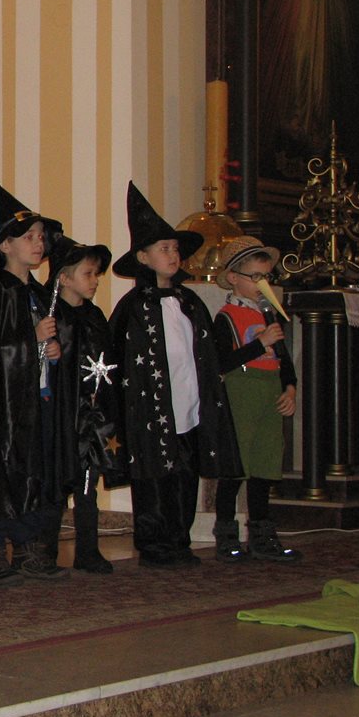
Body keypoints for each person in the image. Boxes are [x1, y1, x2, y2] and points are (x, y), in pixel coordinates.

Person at [108, 182, 242, 569]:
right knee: (153, 476)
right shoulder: (133, 307)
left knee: (185, 473)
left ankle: (179, 539)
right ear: (143, 257)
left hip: (190, 406)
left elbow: (206, 353)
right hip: (149, 411)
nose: (172, 255)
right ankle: (154, 544)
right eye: (164, 248)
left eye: (174, 248)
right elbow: (117, 360)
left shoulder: (190, 302)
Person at [0, 171, 67, 586]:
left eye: (41, 237)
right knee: (3, 467)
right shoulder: (0, 291)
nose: (38, 243)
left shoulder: (38, 293)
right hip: (7, 405)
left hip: (37, 396)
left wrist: (53, 351)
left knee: (35, 469)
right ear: (5, 245)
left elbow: (42, 342)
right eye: (29, 237)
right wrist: (32, 338)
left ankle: (30, 546)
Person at [211, 236, 301, 563]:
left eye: (267, 277)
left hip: (269, 392)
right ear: (234, 277)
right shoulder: (225, 317)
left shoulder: (268, 314)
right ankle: (226, 536)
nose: (263, 284)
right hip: (241, 393)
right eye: (256, 277)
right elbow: (220, 362)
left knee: (265, 464)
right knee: (236, 468)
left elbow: (284, 360)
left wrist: (290, 388)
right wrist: (259, 344)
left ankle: (262, 535)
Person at [45, 235, 126, 574]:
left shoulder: (94, 316)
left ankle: (88, 550)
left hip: (92, 417)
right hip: (62, 414)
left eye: (96, 274)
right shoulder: (53, 316)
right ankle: (46, 551)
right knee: (56, 483)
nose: (95, 281)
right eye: (88, 274)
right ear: (64, 278)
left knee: (87, 483)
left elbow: (106, 362)